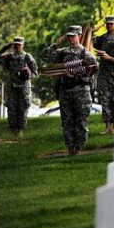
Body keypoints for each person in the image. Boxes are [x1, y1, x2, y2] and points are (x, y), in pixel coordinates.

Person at [41, 25, 97, 155]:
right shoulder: (63, 52)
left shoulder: (85, 53)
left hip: (81, 92)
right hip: (65, 92)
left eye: (73, 36)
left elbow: (93, 70)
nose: (71, 39)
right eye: (69, 36)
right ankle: (70, 147)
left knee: (81, 121)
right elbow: (45, 56)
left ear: (80, 36)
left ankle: (79, 147)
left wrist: (74, 74)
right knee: (67, 122)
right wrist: (57, 43)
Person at [0, 36, 38, 139]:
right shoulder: (9, 57)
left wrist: (29, 74)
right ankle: (12, 131)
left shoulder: (27, 57)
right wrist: (4, 48)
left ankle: (20, 131)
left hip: (24, 87)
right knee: (11, 108)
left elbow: (35, 73)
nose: (17, 47)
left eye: (19, 45)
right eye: (15, 45)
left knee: (23, 108)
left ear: (23, 45)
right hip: (12, 86)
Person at [93, 15, 114, 134]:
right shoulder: (101, 39)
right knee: (105, 100)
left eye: (111, 23)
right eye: (107, 23)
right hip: (103, 74)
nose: (109, 25)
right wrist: (92, 31)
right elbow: (88, 42)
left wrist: (112, 59)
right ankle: (107, 127)